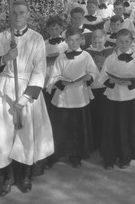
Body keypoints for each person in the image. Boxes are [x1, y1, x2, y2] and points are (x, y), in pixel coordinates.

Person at [0, 1, 54, 197]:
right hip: (4, 89)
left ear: (28, 14)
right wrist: (5, 58)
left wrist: (26, 96)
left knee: (25, 136)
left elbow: (40, 70)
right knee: (3, 136)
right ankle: (7, 177)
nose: (17, 16)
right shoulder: (1, 38)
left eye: (21, 13)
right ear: (9, 15)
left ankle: (25, 176)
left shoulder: (37, 38)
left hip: (26, 91)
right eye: (14, 13)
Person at [46, 27, 98, 168]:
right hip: (63, 96)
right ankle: (57, 153)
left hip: (80, 95)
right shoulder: (61, 57)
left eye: (76, 40)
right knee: (61, 127)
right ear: (66, 41)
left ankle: (76, 154)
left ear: (81, 40)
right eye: (70, 40)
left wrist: (89, 76)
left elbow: (94, 72)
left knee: (77, 127)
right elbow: (54, 76)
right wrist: (61, 82)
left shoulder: (86, 56)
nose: (73, 43)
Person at [99, 29, 135, 170]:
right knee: (111, 127)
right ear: (117, 42)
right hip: (113, 97)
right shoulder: (110, 59)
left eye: (127, 41)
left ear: (131, 42)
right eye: (120, 41)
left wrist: (130, 83)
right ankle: (109, 158)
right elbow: (102, 77)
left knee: (127, 127)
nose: (124, 44)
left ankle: (125, 157)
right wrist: (112, 80)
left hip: (128, 97)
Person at [85, 30, 114, 151]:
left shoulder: (111, 51)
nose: (97, 42)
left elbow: (115, 70)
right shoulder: (87, 53)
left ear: (104, 39)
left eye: (100, 39)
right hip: (92, 88)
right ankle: (94, 142)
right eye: (95, 39)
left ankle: (105, 142)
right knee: (93, 116)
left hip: (105, 88)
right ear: (92, 40)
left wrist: (103, 63)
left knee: (105, 116)